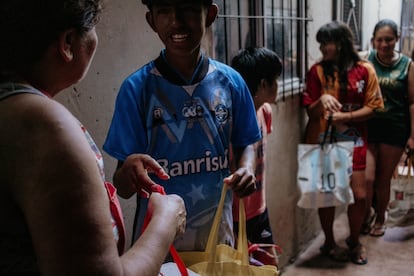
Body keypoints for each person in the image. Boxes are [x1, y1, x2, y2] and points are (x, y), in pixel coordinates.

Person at [0, 0, 186, 275]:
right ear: (67, 43)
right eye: (93, 29)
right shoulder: (47, 126)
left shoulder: (14, 110)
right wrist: (165, 221)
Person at [104, 0, 261, 253]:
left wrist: (246, 167)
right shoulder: (137, 89)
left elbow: (247, 142)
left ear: (209, 14)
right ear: (151, 20)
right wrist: (129, 173)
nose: (176, 21)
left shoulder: (231, 83)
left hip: (218, 238)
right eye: (164, 9)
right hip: (157, 249)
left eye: (188, 7)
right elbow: (122, 188)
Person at [302, 21, 383, 265]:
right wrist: (322, 99)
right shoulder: (316, 71)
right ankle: (328, 242)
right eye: (321, 43)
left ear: (340, 43)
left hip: (355, 139)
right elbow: (310, 111)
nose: (322, 48)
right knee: (327, 196)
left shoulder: (365, 69)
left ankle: (354, 240)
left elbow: (374, 107)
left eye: (326, 42)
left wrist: (344, 117)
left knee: (359, 195)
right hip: (323, 140)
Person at [230, 47, 282, 266]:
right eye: (275, 80)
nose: (278, 85)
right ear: (263, 84)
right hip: (233, 214)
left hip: (258, 208)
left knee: (269, 266)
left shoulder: (265, 111)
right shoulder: (230, 119)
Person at [362, 19, 414, 237]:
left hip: (395, 129)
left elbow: (412, 102)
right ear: (373, 40)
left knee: (383, 179)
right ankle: (365, 215)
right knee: (367, 178)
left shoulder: (408, 65)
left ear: (397, 39)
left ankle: (380, 218)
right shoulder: (365, 59)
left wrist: (412, 136)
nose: (384, 44)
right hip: (367, 127)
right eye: (380, 40)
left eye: (389, 39)